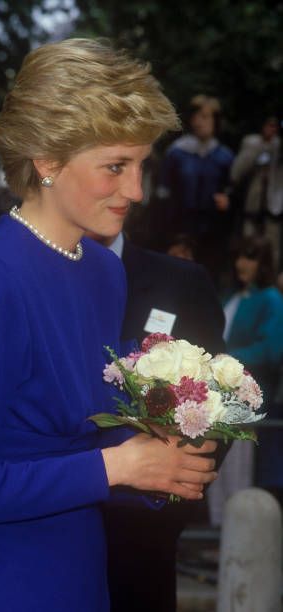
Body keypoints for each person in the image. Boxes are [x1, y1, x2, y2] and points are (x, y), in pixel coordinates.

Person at [0, 38, 218, 612]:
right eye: (115, 167)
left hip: (82, 572)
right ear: (47, 161)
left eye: (140, 166)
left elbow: (82, 436)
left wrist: (160, 459)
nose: (135, 190)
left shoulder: (104, 271)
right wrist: (117, 464)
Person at [89, 227, 225, 612]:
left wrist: (162, 517)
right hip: (43, 541)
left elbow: (222, 403)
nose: (133, 189)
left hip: (141, 553)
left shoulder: (181, 282)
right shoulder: (31, 279)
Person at [207, 235, 283, 525]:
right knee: (220, 467)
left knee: (238, 469)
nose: (242, 263)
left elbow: (271, 349)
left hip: (248, 396)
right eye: (240, 255)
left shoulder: (271, 299)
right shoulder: (231, 295)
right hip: (219, 394)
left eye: (250, 257)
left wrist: (223, 358)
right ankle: (219, 531)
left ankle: (235, 532)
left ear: (263, 263)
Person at [156, 94, 234, 281]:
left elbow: (232, 193)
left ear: (216, 121)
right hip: (178, 228)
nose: (200, 122)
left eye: (206, 117)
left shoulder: (224, 157)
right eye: (196, 116)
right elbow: (162, 194)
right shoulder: (177, 153)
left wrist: (228, 201)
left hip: (210, 233)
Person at [230, 117, 283, 264]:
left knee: (272, 255)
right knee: (247, 250)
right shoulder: (252, 143)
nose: (273, 129)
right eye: (270, 125)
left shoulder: (279, 146)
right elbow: (235, 173)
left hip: (273, 213)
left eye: (276, 126)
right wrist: (260, 146)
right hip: (250, 210)